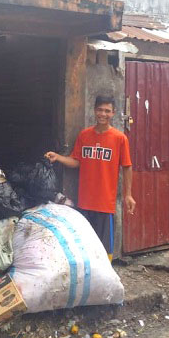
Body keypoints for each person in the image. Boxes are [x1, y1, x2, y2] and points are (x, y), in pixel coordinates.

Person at [45, 95, 136, 261]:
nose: (103, 114)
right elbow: (76, 161)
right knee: (85, 246)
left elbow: (127, 167)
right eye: (100, 110)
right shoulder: (84, 135)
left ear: (113, 113)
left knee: (105, 251)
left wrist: (128, 194)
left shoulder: (119, 138)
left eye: (107, 111)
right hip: (85, 202)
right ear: (94, 111)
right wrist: (57, 157)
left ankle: (104, 280)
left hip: (104, 204)